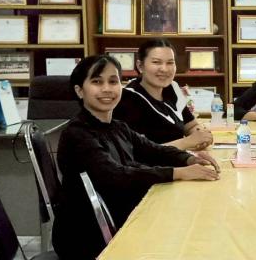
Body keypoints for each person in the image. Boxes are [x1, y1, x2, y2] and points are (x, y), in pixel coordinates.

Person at [52, 54, 220, 260]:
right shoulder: (78, 133)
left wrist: (188, 158)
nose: (107, 89)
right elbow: (116, 175)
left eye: (113, 81)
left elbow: (153, 150)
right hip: (88, 237)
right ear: (80, 90)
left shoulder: (118, 126)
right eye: (97, 82)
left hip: (120, 215)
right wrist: (179, 173)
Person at [114, 38, 214, 150]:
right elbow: (136, 151)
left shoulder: (172, 89)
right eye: (156, 62)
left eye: (170, 63)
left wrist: (201, 136)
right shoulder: (127, 99)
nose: (164, 69)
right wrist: (187, 142)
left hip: (181, 158)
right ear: (140, 66)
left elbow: (191, 126)